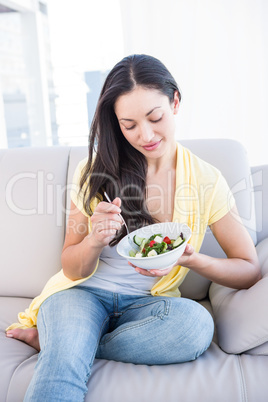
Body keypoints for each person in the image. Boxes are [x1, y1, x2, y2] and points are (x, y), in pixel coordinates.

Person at [6, 54, 261, 401]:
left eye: (155, 118)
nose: (145, 135)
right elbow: (71, 265)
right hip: (80, 294)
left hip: (146, 306)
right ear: (116, 123)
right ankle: (66, 342)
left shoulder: (205, 181)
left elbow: (248, 269)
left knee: (197, 327)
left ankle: (67, 341)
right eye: (129, 125)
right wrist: (95, 240)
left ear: (175, 102)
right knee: (62, 367)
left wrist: (190, 259)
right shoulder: (94, 170)